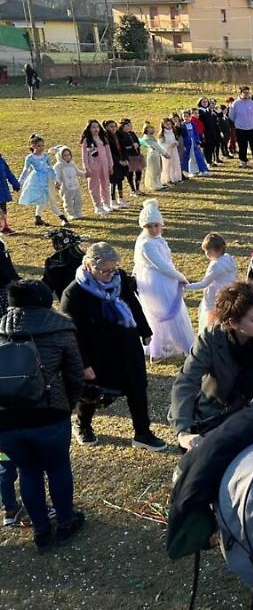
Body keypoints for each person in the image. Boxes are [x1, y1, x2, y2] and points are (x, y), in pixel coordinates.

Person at [0, 280, 84, 552]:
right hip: (50, 413)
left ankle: (41, 530)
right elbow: (75, 375)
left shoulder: (1, 330)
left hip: (7, 419)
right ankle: (66, 522)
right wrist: (68, 404)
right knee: (58, 468)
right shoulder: (61, 329)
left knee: (28, 471)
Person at [60, 241, 166, 451]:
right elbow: (73, 334)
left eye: (113, 269)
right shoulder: (74, 294)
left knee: (137, 388)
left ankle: (142, 433)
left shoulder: (120, 278)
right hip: (97, 352)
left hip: (127, 345)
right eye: (104, 271)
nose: (110, 275)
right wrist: (84, 364)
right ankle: (83, 424)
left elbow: (132, 303)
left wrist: (144, 330)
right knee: (93, 392)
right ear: (89, 266)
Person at [169, 281, 253, 452]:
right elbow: (186, 382)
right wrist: (183, 431)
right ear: (233, 323)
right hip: (215, 414)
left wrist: (249, 415)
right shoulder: (210, 339)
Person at [133, 199, 194, 359]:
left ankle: (174, 342)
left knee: (171, 309)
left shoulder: (157, 239)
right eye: (149, 226)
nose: (153, 229)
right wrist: (180, 277)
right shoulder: (147, 244)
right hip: (157, 281)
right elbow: (162, 266)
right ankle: (165, 344)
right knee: (165, 311)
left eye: (156, 225)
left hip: (165, 278)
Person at [186, 233, 238, 335]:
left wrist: (186, 286)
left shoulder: (216, 266)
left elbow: (204, 283)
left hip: (215, 297)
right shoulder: (229, 258)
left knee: (212, 320)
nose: (206, 254)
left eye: (208, 251)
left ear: (216, 250)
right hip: (228, 294)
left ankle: (212, 336)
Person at [18, 134, 66, 227]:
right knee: (43, 198)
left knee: (50, 198)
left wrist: (56, 180)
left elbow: (50, 168)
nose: (42, 148)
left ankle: (39, 217)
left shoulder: (45, 156)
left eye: (43, 145)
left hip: (47, 179)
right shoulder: (30, 158)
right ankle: (61, 217)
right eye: (39, 146)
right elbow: (25, 170)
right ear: (33, 146)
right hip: (37, 181)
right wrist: (19, 182)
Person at [79, 119, 112, 215]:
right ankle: (98, 206)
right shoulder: (87, 140)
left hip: (104, 165)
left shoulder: (103, 138)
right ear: (89, 129)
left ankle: (106, 203)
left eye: (97, 127)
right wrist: (86, 168)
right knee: (94, 186)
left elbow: (108, 153)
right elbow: (84, 156)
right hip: (93, 166)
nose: (96, 129)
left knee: (105, 184)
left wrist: (110, 165)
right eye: (93, 127)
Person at [228, 85, 253, 168]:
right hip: (241, 129)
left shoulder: (252, 102)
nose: (247, 94)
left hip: (252, 127)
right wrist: (239, 122)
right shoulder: (235, 104)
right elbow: (231, 116)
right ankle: (243, 161)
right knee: (242, 146)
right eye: (245, 92)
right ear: (241, 93)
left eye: (248, 92)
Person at [51, 146, 84, 222]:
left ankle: (78, 212)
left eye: (68, 155)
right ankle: (70, 214)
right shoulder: (58, 166)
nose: (67, 157)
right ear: (60, 156)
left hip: (75, 186)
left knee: (78, 200)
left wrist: (84, 174)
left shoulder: (72, 164)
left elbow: (77, 172)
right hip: (66, 188)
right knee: (68, 201)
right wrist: (57, 182)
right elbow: (56, 175)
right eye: (65, 155)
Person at [117, 118, 146, 195]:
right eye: (128, 125)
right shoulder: (120, 135)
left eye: (130, 125)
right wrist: (131, 146)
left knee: (139, 172)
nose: (130, 127)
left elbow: (137, 142)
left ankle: (137, 188)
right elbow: (121, 146)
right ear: (123, 126)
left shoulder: (132, 133)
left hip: (136, 155)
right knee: (130, 173)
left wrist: (137, 144)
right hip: (129, 156)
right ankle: (133, 189)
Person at [138, 122, 169, 192]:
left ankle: (158, 183)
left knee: (158, 169)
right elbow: (156, 146)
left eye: (152, 128)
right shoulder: (147, 138)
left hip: (156, 154)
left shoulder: (151, 137)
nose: (152, 129)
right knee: (154, 170)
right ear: (146, 129)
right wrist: (165, 154)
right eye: (150, 128)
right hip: (153, 155)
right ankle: (154, 185)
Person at [196, 97, 221, 167]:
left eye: (206, 102)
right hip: (205, 132)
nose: (205, 103)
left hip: (211, 131)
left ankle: (211, 160)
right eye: (203, 102)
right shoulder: (200, 111)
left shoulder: (208, 110)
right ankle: (208, 161)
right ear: (200, 102)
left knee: (211, 146)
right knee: (206, 147)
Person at [0, 152, 19, 234]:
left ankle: (4, 226)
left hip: (2, 189)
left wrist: (15, 184)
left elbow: (8, 173)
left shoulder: (1, 160)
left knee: (3, 207)